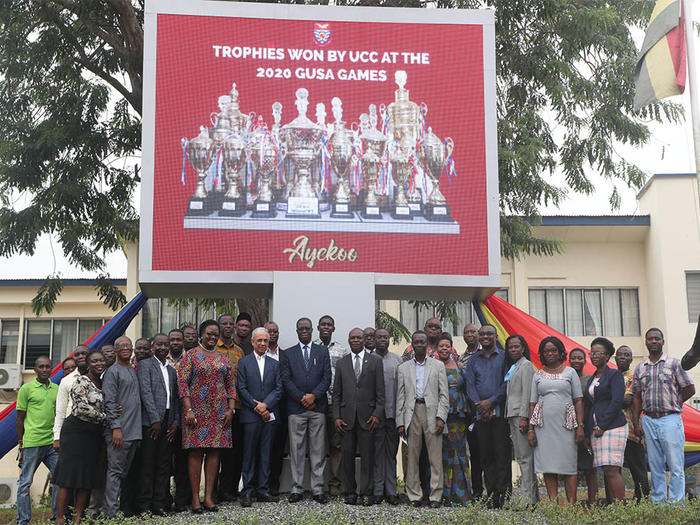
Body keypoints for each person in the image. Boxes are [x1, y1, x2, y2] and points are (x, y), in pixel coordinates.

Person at [178, 320, 236, 513]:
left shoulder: (223, 357)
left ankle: (209, 497)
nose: (212, 337)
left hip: (219, 413)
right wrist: (188, 410)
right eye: (209, 334)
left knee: (214, 453)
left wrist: (230, 409)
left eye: (215, 334)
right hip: (196, 413)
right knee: (196, 452)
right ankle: (195, 499)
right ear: (202, 334)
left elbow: (230, 385)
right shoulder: (191, 356)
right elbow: (183, 384)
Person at [632, 328, 695, 504]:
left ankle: (676, 505)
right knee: (655, 465)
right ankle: (659, 503)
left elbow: (689, 388)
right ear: (645, 342)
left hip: (670, 418)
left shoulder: (674, 364)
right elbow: (636, 396)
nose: (653, 341)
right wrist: (637, 421)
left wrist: (675, 402)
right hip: (648, 419)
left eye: (657, 338)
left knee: (675, 464)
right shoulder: (640, 368)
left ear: (662, 341)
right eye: (650, 339)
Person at [280, 317, 331, 504]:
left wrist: (313, 396)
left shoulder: (322, 352)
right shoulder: (288, 354)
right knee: (297, 450)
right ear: (296, 331)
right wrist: (302, 397)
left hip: (317, 408)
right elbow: (285, 380)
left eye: (307, 328)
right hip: (296, 408)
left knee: (318, 450)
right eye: (300, 328)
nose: (304, 331)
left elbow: (327, 378)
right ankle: (297, 489)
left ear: (312, 331)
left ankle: (318, 489)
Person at [528, 336, 584, 505]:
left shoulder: (570, 372)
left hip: (566, 426)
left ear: (560, 352)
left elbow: (578, 401)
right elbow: (533, 403)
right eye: (546, 351)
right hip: (543, 427)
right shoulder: (537, 374)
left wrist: (580, 427)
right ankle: (553, 505)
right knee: (548, 465)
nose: (550, 353)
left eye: (553, 350)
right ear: (542, 355)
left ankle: (571, 504)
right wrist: (531, 429)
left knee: (569, 465)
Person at [396, 330, 449, 508]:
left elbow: (444, 395)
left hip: (432, 414)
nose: (419, 344)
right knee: (412, 458)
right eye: (416, 342)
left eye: (422, 342)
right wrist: (400, 422)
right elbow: (400, 397)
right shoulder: (403, 368)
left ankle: (435, 496)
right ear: (412, 344)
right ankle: (414, 495)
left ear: (427, 345)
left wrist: (441, 417)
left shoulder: (438, 366)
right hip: (412, 414)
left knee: (435, 458)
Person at [54, 351, 107, 525]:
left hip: (93, 436)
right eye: (94, 361)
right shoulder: (80, 381)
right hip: (75, 432)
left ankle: (78, 519)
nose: (99, 364)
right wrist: (107, 416)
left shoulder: (104, 382)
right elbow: (82, 408)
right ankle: (60, 519)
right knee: (67, 478)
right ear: (88, 364)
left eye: (101, 360)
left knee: (86, 478)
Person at [333, 328, 385, 506]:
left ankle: (366, 492)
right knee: (346, 457)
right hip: (346, 419)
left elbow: (380, 392)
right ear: (348, 341)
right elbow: (336, 394)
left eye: (358, 337)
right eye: (352, 338)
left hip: (368, 418)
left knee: (367, 458)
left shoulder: (376, 361)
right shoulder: (342, 363)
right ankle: (349, 492)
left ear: (364, 340)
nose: (355, 340)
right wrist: (336, 417)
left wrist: (377, 414)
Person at [464, 324, 510, 508]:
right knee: (485, 457)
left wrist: (490, 402)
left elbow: (507, 383)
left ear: (495, 335)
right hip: (480, 416)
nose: (485, 336)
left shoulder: (505, 358)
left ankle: (503, 497)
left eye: (489, 333)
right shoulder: (474, 360)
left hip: (499, 414)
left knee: (502, 456)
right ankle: (491, 496)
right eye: (481, 333)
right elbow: (470, 386)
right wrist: (480, 407)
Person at [237, 327, 283, 507]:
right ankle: (247, 491)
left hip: (269, 415)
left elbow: (279, 389)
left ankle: (263, 490)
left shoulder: (275, 363)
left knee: (266, 453)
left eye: (266, 340)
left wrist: (266, 405)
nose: (263, 343)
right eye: (260, 340)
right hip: (251, 415)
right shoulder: (244, 362)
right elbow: (241, 388)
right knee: (249, 454)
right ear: (253, 342)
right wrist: (257, 406)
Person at [136, 333, 180, 515]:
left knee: (164, 465)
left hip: (169, 422)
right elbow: (145, 392)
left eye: (166, 344)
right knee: (148, 465)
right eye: (159, 344)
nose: (163, 347)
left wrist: (175, 422)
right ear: (152, 346)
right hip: (151, 423)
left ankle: (159, 504)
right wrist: (155, 420)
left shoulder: (171, 370)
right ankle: (144, 506)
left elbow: (176, 398)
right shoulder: (145, 365)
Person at [102, 336, 142, 519]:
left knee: (125, 474)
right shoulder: (113, 371)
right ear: (116, 351)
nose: (126, 348)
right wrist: (115, 428)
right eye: (121, 346)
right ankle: (110, 514)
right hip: (119, 432)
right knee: (115, 472)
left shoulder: (133, 370)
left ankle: (121, 510)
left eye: (128, 345)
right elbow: (109, 402)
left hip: (134, 432)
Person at [583, 337, 627, 503]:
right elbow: (590, 406)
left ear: (607, 356)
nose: (594, 356)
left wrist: (602, 425)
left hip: (613, 427)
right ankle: (614, 507)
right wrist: (588, 432)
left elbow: (616, 402)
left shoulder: (614, 374)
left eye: (598, 353)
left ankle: (621, 510)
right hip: (596, 429)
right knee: (606, 469)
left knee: (612, 469)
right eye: (592, 353)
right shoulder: (592, 378)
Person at [16, 356, 59, 525]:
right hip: (32, 442)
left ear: (51, 369)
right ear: (35, 370)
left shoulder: (56, 388)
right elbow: (19, 419)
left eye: (48, 366)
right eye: (41, 367)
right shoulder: (26, 389)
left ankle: (56, 518)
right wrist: (21, 443)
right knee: (25, 484)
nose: (44, 369)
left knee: (59, 479)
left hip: (51, 444)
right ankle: (23, 521)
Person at [314, 314, 348, 497]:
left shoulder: (342, 350)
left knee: (336, 446)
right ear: (318, 328)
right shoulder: (311, 348)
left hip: (335, 406)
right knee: (317, 446)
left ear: (333, 329)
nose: (326, 327)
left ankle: (334, 484)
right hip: (316, 405)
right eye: (323, 324)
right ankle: (317, 485)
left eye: (329, 325)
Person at [436, 333, 471, 506]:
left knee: (459, 454)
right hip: (439, 417)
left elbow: (467, 389)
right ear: (437, 348)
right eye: (441, 346)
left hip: (458, 417)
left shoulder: (460, 365)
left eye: (447, 346)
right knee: (442, 455)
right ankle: (442, 495)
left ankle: (460, 496)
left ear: (451, 348)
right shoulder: (433, 366)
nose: (444, 348)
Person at [504, 334, 538, 506]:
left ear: (523, 348)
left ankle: (527, 500)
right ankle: (531, 497)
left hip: (520, 416)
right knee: (521, 457)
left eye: (516, 346)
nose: (513, 350)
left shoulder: (526, 366)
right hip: (513, 415)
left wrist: (525, 417)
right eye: (510, 347)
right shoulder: (515, 366)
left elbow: (528, 394)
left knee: (525, 458)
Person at [216, 313, 245, 503]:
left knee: (234, 452)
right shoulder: (212, 349)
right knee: (216, 452)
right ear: (218, 327)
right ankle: (214, 491)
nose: (227, 326)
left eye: (230, 324)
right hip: (216, 409)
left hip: (238, 407)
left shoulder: (239, 351)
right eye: (224, 324)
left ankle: (230, 490)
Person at [615, 344, 650, 500]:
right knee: (614, 469)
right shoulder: (609, 376)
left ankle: (642, 499)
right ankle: (615, 501)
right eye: (620, 354)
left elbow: (628, 400)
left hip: (631, 430)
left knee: (637, 467)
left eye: (626, 355)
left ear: (631, 359)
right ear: (615, 358)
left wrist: (610, 400)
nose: (623, 357)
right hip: (612, 430)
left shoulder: (634, 377)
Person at [372, 328, 402, 505]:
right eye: (379, 337)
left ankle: (391, 491)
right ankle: (377, 490)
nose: (382, 340)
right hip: (374, 416)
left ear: (389, 340)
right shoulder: (368, 360)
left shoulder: (398, 361)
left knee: (391, 454)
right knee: (376, 454)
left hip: (392, 415)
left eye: (385, 337)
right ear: (374, 339)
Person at [569, 347, 597, 505]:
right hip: (567, 428)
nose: (577, 361)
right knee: (570, 467)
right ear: (569, 360)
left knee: (590, 468)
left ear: (585, 361)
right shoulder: (564, 377)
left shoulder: (589, 380)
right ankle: (571, 504)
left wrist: (587, 430)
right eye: (573, 358)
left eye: (580, 358)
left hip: (586, 426)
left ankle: (592, 502)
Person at [459, 322, 483, 500]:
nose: (470, 334)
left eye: (473, 331)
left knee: (488, 454)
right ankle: (476, 491)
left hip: (486, 409)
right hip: (468, 411)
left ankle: (495, 490)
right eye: (466, 332)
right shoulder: (461, 358)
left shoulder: (487, 353)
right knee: (473, 453)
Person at [264, 320, 285, 496]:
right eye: (269, 331)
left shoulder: (286, 356)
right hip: (257, 409)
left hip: (280, 409)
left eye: (275, 331)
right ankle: (258, 484)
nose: (272, 334)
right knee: (258, 448)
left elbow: (284, 383)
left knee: (277, 449)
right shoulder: (253, 354)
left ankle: (273, 484)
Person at [54, 345, 89, 450]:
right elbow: (60, 411)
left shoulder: (99, 376)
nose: (81, 356)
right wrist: (57, 437)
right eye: (77, 355)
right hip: (73, 428)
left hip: (95, 428)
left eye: (84, 353)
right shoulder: (66, 380)